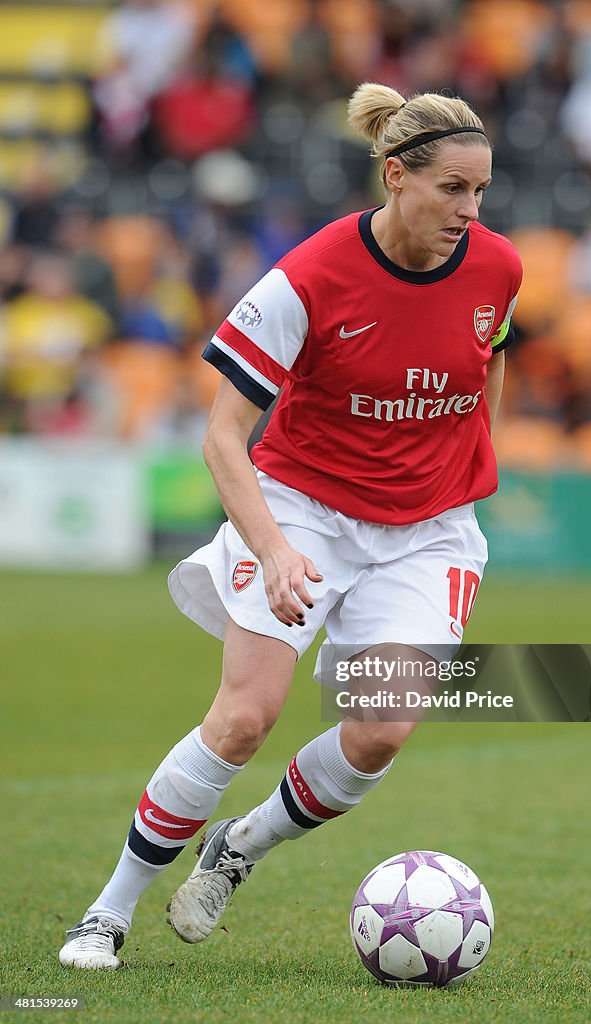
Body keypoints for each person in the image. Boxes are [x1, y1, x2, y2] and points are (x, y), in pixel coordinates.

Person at [58, 81, 522, 970]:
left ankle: (240, 846)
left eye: (480, 191)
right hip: (303, 510)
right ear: (395, 177)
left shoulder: (498, 266)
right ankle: (106, 914)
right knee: (244, 719)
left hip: (427, 528)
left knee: (381, 730)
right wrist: (271, 547)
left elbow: (486, 361)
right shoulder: (307, 277)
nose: (470, 210)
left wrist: (463, 467)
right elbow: (222, 436)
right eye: (452, 190)